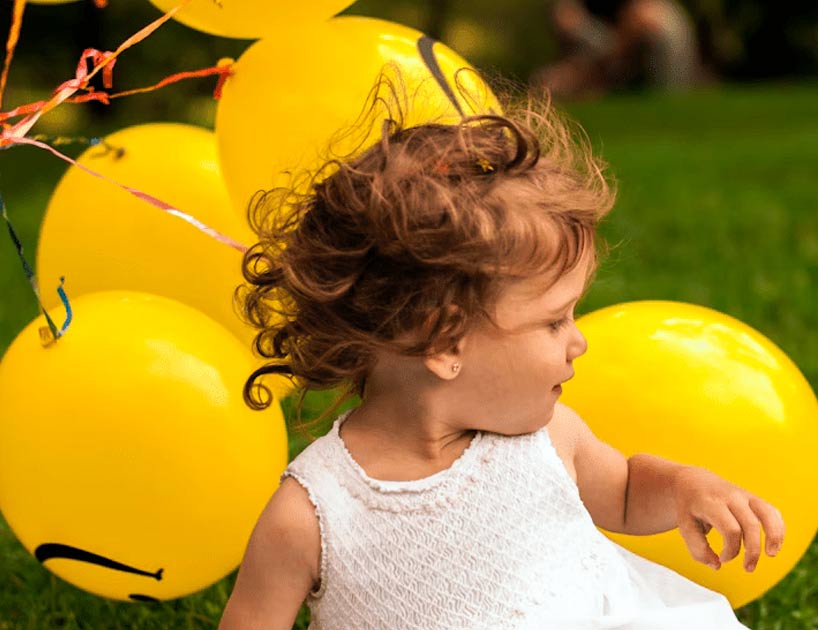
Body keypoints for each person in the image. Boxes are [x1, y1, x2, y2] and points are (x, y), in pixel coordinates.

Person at [217, 81, 784, 629]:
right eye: (553, 320)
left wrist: (687, 488)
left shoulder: (546, 439)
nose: (578, 340)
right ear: (444, 342)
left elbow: (628, 490)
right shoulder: (313, 514)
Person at [533, 0, 703, 99]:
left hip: (634, 60)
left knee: (661, 25)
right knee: (547, 83)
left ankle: (668, 94)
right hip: (601, 55)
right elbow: (566, 19)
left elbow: (644, 18)